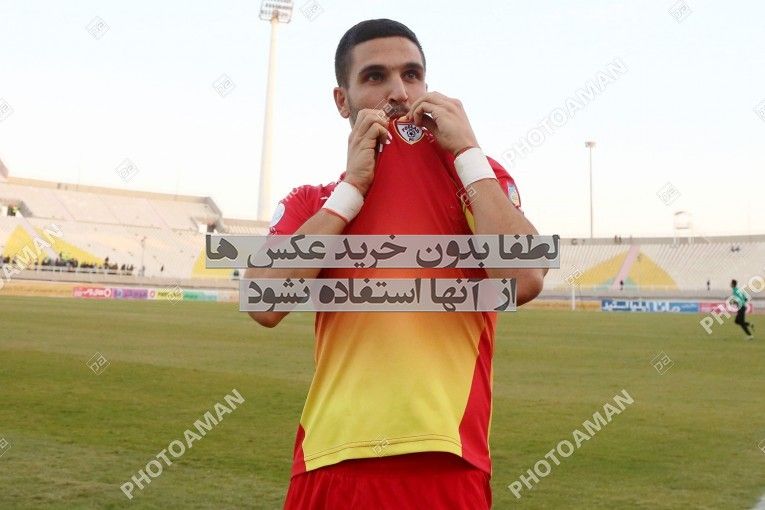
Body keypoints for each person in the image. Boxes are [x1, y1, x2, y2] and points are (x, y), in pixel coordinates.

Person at [246, 19, 546, 509]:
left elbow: (524, 277)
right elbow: (263, 302)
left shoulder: (473, 181)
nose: (399, 93)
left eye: (412, 74)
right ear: (341, 100)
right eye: (375, 77)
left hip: (443, 464)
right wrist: (351, 192)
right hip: (328, 464)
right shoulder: (314, 203)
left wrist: (469, 152)